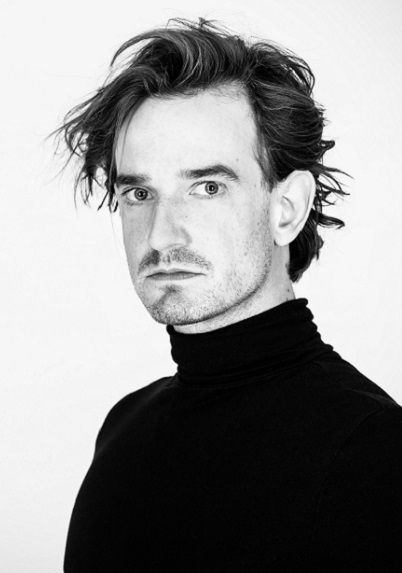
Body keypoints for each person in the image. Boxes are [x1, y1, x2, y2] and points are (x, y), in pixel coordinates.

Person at [56, 18, 402, 572]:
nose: (162, 235)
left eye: (207, 187)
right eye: (139, 193)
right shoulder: (124, 427)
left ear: (286, 208)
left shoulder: (376, 453)